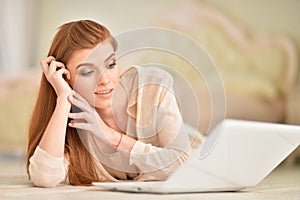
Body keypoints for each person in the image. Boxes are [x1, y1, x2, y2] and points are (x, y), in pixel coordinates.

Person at [26, 19, 191, 187]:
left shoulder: (151, 87)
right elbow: (44, 178)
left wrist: (111, 136)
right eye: (88, 72)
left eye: (111, 64)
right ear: (65, 77)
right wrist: (63, 98)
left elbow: (184, 163)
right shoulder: (72, 124)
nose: (104, 80)